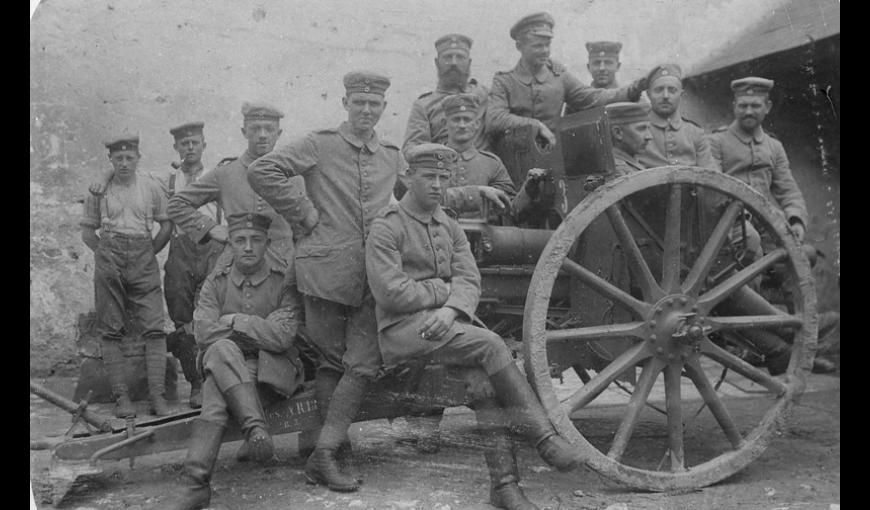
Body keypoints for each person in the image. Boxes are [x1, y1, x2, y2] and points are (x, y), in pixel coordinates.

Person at [366, 143, 579, 509]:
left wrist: (451, 310)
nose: (436, 184)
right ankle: (544, 438)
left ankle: (505, 488)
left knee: (483, 385)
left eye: (443, 177)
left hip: (444, 328)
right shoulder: (387, 227)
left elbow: (469, 279)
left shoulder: (448, 224)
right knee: (492, 344)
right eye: (428, 177)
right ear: (407, 178)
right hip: (402, 333)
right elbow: (391, 293)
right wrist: (443, 292)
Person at [246, 71, 404, 492]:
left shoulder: (390, 154)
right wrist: (303, 212)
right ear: (345, 104)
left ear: (383, 108)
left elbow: (418, 191)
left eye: (374, 105)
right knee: (332, 363)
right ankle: (333, 449)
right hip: (323, 274)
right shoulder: (320, 143)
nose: (366, 111)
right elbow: (264, 170)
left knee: (363, 362)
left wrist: (474, 190)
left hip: (370, 275)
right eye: (359, 103)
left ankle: (325, 451)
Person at [159, 212, 304, 510]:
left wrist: (236, 320)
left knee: (216, 380)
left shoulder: (283, 279)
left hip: (271, 372)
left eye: (256, 240)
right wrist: (256, 330)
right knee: (222, 350)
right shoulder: (217, 282)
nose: (248, 247)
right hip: (229, 365)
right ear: (231, 245)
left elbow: (282, 336)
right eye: (240, 240)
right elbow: (202, 332)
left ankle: (195, 484)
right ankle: (255, 430)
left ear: (267, 244)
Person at [90, 121, 224, 409]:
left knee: (212, 318)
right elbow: (124, 171)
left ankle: (216, 382)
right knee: (182, 320)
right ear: (176, 147)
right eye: (184, 143)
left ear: (204, 145)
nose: (189, 148)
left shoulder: (219, 173)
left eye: (195, 143)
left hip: (213, 250)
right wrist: (104, 175)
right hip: (180, 252)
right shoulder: (165, 178)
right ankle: (196, 384)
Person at [710, 77, 837, 374]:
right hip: (729, 231)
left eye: (755, 105)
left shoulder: (774, 147)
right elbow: (713, 188)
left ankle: (794, 337)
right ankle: (764, 338)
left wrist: (794, 220)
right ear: (734, 107)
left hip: (768, 230)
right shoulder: (716, 142)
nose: (749, 110)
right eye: (743, 105)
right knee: (748, 252)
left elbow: (788, 190)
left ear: (767, 107)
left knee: (805, 253)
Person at [486, 12, 658, 185]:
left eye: (547, 45)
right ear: (519, 46)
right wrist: (535, 125)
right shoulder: (504, 81)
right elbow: (494, 119)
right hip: (514, 164)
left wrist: (635, 88)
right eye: (538, 46)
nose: (545, 51)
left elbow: (593, 97)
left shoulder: (559, 76)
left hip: (552, 161)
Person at [80, 134, 173, 417]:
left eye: (129, 157)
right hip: (110, 256)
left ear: (137, 158)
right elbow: (87, 233)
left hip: (143, 255)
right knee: (110, 330)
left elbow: (166, 227)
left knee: (155, 327)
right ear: (110, 160)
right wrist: (106, 258)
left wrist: (147, 254)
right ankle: (122, 399)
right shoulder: (98, 191)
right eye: (117, 158)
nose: (123, 163)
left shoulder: (150, 187)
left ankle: (157, 397)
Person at [167, 103, 295, 267]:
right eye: (255, 128)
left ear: (278, 133)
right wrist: (210, 228)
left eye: (269, 129)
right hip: (237, 272)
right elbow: (176, 204)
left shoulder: (294, 177)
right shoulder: (225, 174)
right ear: (244, 132)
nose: (262, 135)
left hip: (281, 269)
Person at [402, 34, 491, 156]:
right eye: (448, 57)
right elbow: (411, 148)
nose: (454, 63)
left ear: (469, 62)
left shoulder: (485, 95)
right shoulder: (424, 105)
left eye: (460, 57)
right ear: (437, 63)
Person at [637, 64, 714, 169]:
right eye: (659, 90)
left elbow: (711, 174)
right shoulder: (637, 130)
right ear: (648, 94)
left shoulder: (695, 133)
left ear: (681, 95)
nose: (665, 96)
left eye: (672, 90)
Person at [606, 101, 653, 176]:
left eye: (649, 128)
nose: (649, 136)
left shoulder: (628, 163)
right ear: (617, 132)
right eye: (641, 129)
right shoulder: (620, 170)